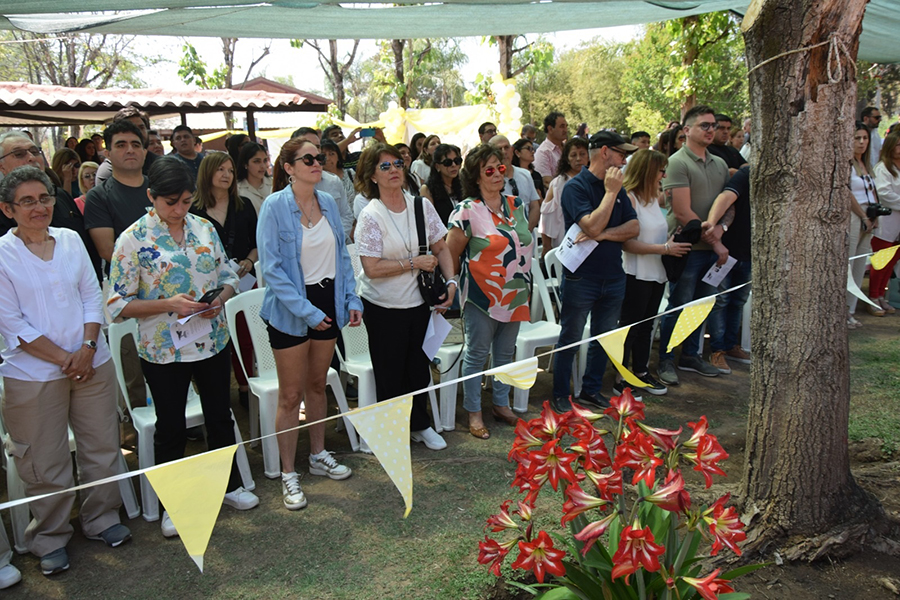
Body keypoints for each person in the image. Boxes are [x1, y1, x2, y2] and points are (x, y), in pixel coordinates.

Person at [108, 156, 259, 539]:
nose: (178, 210)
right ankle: (173, 502)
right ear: (151, 197)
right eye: (169, 203)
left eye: (186, 201)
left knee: (219, 415)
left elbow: (227, 275)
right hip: (163, 348)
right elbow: (118, 304)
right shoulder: (132, 239)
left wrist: (219, 298)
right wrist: (168, 304)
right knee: (171, 425)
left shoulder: (204, 228)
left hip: (210, 338)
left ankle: (228, 486)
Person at [0, 166, 131, 576]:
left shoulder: (72, 240)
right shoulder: (3, 254)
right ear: (7, 209)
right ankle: (50, 536)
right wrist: (64, 359)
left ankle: (101, 519)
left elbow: (93, 296)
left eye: (44, 198)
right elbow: (13, 324)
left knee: (101, 446)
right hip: (32, 375)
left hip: (93, 362)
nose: (39, 207)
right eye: (27, 201)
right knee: (44, 461)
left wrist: (88, 347)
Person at [257, 138, 362, 510]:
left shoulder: (330, 202)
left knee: (318, 385)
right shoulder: (273, 207)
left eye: (319, 157)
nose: (317, 163)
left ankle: (318, 454)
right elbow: (272, 270)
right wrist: (308, 312)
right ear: (288, 167)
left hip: (329, 300)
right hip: (290, 310)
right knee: (290, 395)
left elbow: (342, 257)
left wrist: (351, 297)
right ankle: (288, 473)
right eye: (308, 159)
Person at [354, 142, 455, 451]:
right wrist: (412, 263)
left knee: (418, 367)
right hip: (383, 306)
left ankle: (420, 425)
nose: (393, 170)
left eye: (397, 163)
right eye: (384, 166)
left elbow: (441, 247)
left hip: (419, 303)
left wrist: (451, 283)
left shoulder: (420, 206)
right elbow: (371, 268)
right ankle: (391, 431)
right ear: (372, 176)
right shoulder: (371, 215)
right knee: (389, 371)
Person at [446, 145, 533, 439]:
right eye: (489, 170)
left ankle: (500, 403)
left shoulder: (517, 205)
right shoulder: (467, 210)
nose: (497, 173)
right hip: (482, 295)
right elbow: (451, 254)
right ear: (476, 176)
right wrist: (454, 287)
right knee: (477, 354)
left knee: (506, 352)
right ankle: (474, 411)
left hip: (516, 290)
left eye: (500, 167)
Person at [551, 131, 639, 413]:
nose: (624, 160)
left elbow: (633, 228)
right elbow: (590, 225)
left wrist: (602, 235)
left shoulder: (619, 186)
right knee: (571, 338)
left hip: (613, 275)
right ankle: (561, 393)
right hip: (582, 277)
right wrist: (611, 193)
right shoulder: (576, 187)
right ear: (604, 152)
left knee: (604, 337)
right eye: (620, 153)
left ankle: (590, 390)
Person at [656, 106, 730, 385]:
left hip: (714, 249)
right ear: (686, 130)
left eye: (713, 125)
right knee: (678, 303)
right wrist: (716, 239)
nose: (711, 130)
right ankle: (665, 359)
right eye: (704, 125)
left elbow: (728, 205)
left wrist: (720, 232)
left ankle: (690, 355)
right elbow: (683, 211)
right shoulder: (677, 162)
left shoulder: (720, 163)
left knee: (701, 306)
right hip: (687, 249)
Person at [617, 150, 691, 398]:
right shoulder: (630, 198)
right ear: (648, 171)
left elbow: (655, 234)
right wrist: (665, 248)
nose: (665, 175)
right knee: (631, 326)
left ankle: (640, 371)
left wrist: (670, 242)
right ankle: (621, 377)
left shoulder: (651, 199)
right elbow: (628, 243)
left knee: (647, 325)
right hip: (636, 272)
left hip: (657, 270)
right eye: (661, 171)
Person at [191, 152, 259, 409]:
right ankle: (216, 395)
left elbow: (256, 244)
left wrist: (250, 261)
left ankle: (244, 385)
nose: (226, 175)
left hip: (243, 281)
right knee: (215, 337)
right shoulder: (193, 211)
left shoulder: (244, 205)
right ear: (207, 173)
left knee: (245, 335)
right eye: (220, 169)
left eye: (230, 170)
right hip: (208, 285)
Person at [703, 165, 754, 372]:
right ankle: (717, 350)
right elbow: (725, 197)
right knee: (721, 300)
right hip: (727, 251)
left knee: (739, 301)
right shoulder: (746, 173)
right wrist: (711, 224)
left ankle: (732, 345)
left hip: (751, 253)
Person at [847, 122, 881, 323]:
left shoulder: (866, 164)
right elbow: (847, 193)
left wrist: (873, 216)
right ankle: (842, 311)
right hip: (854, 217)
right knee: (849, 265)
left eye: (865, 138)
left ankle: (850, 310)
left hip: (869, 217)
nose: (861, 143)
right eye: (857, 138)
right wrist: (863, 216)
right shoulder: (847, 164)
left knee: (860, 265)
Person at [540, 137, 589, 253]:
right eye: (573, 155)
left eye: (582, 154)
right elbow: (547, 215)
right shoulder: (559, 183)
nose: (578, 159)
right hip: (566, 240)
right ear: (567, 159)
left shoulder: (593, 179)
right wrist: (547, 246)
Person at [871, 132, 900, 312]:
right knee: (881, 260)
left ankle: (882, 295)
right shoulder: (883, 168)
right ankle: (873, 296)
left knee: (893, 260)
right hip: (887, 221)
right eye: (898, 145)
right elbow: (884, 194)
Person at [95, 107, 157, 186]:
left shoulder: (160, 164)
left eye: (141, 127)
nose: (139, 133)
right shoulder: (108, 172)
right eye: (132, 128)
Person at [489, 135, 541, 228]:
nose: (504, 152)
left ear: (512, 150)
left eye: (506, 147)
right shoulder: (490, 181)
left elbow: (534, 206)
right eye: (499, 149)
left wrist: (527, 232)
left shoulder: (525, 174)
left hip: (528, 236)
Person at [419, 143, 462, 226]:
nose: (454, 165)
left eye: (457, 161)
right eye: (447, 162)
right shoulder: (427, 190)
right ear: (437, 166)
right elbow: (430, 223)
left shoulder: (463, 184)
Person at [236, 142, 273, 215]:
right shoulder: (237, 189)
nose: (262, 166)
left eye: (265, 160)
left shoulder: (273, 184)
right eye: (257, 161)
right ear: (245, 164)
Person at [322, 138, 357, 215]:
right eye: (323, 155)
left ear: (338, 156)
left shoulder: (350, 173)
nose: (327, 158)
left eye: (331, 154)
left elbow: (361, 196)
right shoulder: (318, 180)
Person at [534, 111, 568, 187]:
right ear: (550, 129)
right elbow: (547, 183)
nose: (566, 130)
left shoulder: (567, 148)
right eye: (562, 126)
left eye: (566, 126)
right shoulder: (543, 153)